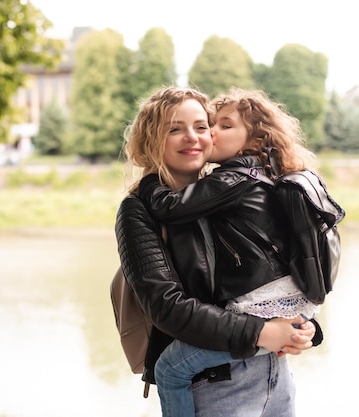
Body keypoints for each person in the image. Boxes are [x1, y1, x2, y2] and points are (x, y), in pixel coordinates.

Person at [115, 86, 319, 417]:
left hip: (275, 377)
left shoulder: (228, 190)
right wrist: (264, 332)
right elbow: (167, 308)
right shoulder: (139, 209)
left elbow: (277, 269)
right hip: (213, 386)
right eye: (174, 128)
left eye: (200, 126)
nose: (192, 137)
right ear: (151, 139)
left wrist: (302, 328)